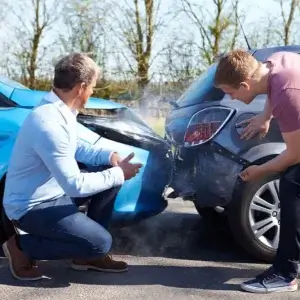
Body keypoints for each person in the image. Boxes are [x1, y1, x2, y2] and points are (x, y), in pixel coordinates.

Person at [2, 52, 142, 281]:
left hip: (53, 193)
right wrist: (118, 173)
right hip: (32, 206)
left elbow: (77, 146)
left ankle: (85, 256)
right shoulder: (49, 122)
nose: (92, 92)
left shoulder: (59, 111)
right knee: (100, 243)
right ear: (81, 87)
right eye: (93, 87)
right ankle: (20, 246)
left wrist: (110, 157)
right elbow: (75, 185)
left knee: (108, 179)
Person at [214, 49, 300, 294]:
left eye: (231, 93)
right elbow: (274, 86)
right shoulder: (276, 61)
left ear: (244, 84)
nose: (231, 99)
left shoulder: (288, 94)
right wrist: (265, 116)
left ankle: (285, 274)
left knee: (293, 182)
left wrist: (259, 170)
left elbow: (294, 155)